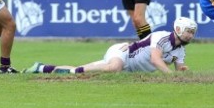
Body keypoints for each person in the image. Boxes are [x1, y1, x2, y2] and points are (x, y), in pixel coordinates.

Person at [22, 17, 197, 75]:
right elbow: (155, 58)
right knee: (114, 67)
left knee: (80, 73)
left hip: (130, 69)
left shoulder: (180, 50)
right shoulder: (162, 37)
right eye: (188, 31)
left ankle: (43, 68)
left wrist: (183, 71)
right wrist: (170, 75)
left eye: (192, 32)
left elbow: (180, 66)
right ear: (179, 29)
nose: (190, 35)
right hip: (123, 53)